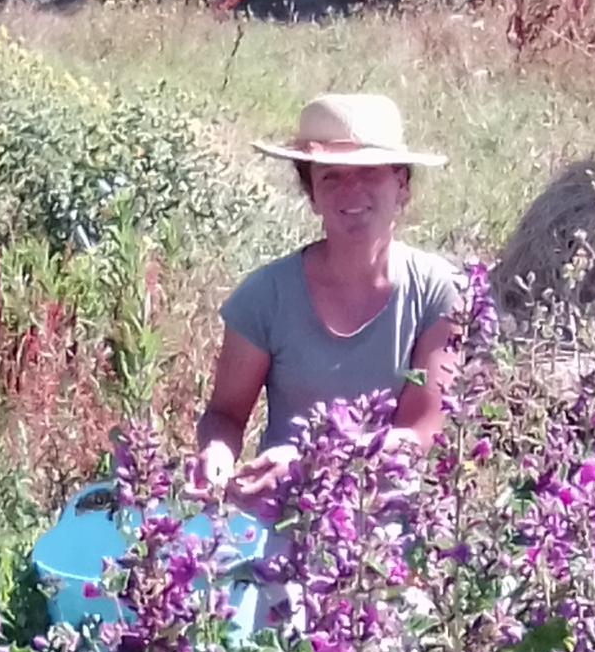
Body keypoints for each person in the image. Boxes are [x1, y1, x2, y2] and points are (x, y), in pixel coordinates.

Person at [190, 93, 462, 514]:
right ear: (312, 195)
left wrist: (310, 464)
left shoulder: (437, 291)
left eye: (369, 173)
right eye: (330, 177)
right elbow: (224, 415)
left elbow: (422, 431)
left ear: (401, 185)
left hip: (393, 518)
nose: (350, 191)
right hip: (283, 512)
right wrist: (218, 459)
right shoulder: (264, 296)